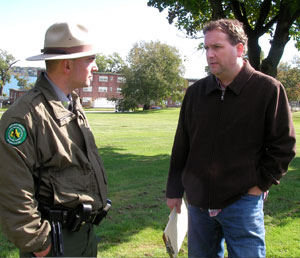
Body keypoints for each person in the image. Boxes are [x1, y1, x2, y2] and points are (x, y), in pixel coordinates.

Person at [166, 19, 296, 258]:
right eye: (206, 48)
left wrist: (259, 185)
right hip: (198, 204)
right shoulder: (196, 93)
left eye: (217, 47)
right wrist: (174, 189)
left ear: (239, 48)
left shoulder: (268, 89)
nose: (210, 54)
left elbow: (283, 146)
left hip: (242, 202)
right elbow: (182, 144)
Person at [0, 22, 110, 257]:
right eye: (90, 59)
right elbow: (12, 190)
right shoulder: (25, 116)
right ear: (67, 65)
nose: (96, 66)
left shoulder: (71, 103)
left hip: (83, 235)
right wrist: (40, 245)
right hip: (54, 244)